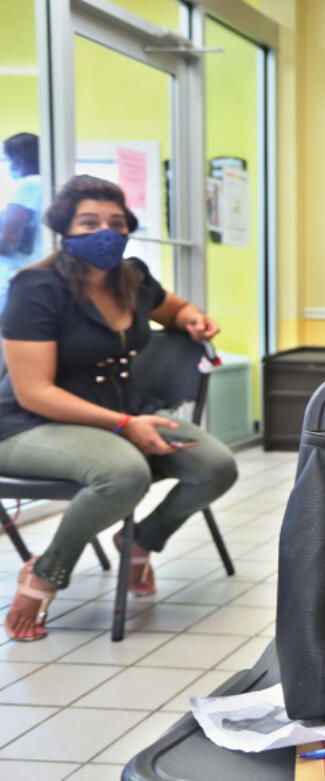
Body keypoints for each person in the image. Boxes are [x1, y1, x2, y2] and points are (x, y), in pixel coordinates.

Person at [1, 174, 238, 642]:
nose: (104, 233)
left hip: (120, 416)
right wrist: (126, 424)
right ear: (64, 230)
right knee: (125, 474)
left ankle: (139, 542)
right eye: (88, 222)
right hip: (29, 426)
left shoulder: (134, 278)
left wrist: (194, 320)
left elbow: (175, 309)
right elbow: (34, 392)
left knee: (216, 466)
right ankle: (45, 572)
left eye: (115, 222)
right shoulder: (35, 287)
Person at [0, 132, 43, 311]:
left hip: (13, 278)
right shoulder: (47, 185)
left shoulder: (28, 185)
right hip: (34, 276)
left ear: (20, 161)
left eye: (9, 160)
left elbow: (8, 240)